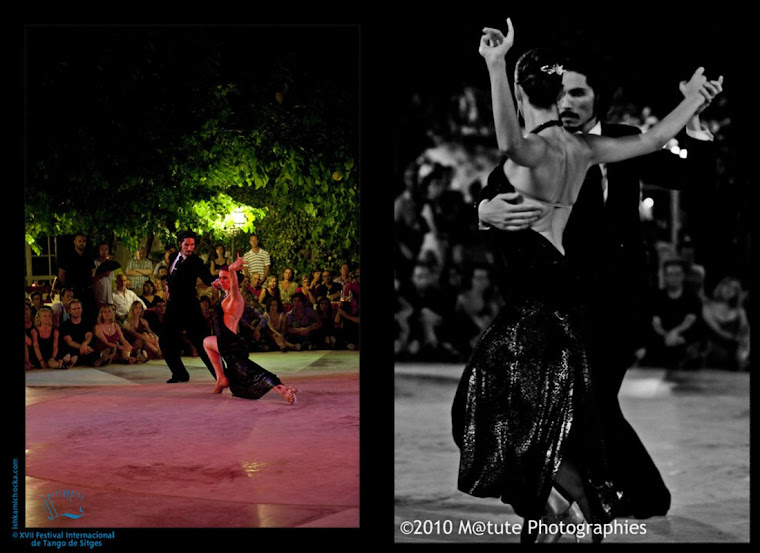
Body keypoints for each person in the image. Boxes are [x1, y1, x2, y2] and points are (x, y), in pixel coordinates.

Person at [450, 20, 721, 544]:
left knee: (564, 404)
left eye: (579, 91)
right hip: (561, 302)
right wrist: (484, 209)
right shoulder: (563, 151)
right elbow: (490, 190)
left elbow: (688, 170)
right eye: (562, 91)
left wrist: (697, 118)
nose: (569, 102)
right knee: (567, 407)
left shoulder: (600, 145)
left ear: (598, 97)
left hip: (610, 305)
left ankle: (577, 498)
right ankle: (585, 498)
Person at [202, 255, 297, 403]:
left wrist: (233, 270)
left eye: (226, 278)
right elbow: (225, 291)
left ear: (234, 280)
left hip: (231, 346)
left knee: (252, 373)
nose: (222, 281)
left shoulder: (235, 298)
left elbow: (232, 286)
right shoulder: (226, 296)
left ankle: (283, 390)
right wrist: (219, 285)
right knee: (207, 342)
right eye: (220, 278)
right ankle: (221, 379)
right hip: (224, 343)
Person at [161, 230, 218, 383]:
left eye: (192, 245)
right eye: (187, 244)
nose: (190, 248)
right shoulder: (174, 258)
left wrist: (222, 279)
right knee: (165, 341)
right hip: (174, 308)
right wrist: (168, 286)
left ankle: (221, 376)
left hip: (190, 308)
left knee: (203, 343)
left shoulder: (196, 262)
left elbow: (208, 279)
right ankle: (180, 374)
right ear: (180, 244)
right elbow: (171, 276)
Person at [641, 259, 705, 370]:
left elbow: (693, 323)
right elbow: (655, 323)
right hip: (660, 341)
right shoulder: (656, 297)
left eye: (677, 274)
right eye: (670, 274)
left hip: (684, 341)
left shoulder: (693, 298)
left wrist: (678, 335)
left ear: (683, 276)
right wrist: (667, 336)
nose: (674, 277)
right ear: (665, 277)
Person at [702, 277, 750, 370]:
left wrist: (745, 340)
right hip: (715, 345)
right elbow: (717, 330)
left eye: (734, 289)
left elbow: (745, 329)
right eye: (727, 286)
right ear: (720, 287)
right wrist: (736, 339)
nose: (729, 290)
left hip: (737, 347)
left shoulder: (739, 310)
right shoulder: (707, 306)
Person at [57, 233, 97, 326]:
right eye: (79, 241)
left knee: (88, 314)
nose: (82, 243)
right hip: (73, 290)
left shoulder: (88, 256)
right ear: (74, 242)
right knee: (74, 314)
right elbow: (61, 274)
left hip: (86, 290)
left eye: (83, 241)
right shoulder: (67, 256)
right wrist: (67, 288)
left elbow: (92, 272)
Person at [58, 298, 99, 367]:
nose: (77, 311)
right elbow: (69, 341)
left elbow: (89, 336)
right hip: (73, 348)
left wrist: (84, 344)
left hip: (85, 348)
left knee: (92, 352)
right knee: (67, 351)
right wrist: (82, 347)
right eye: (74, 309)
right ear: (69, 311)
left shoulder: (87, 323)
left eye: (79, 308)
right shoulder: (65, 325)